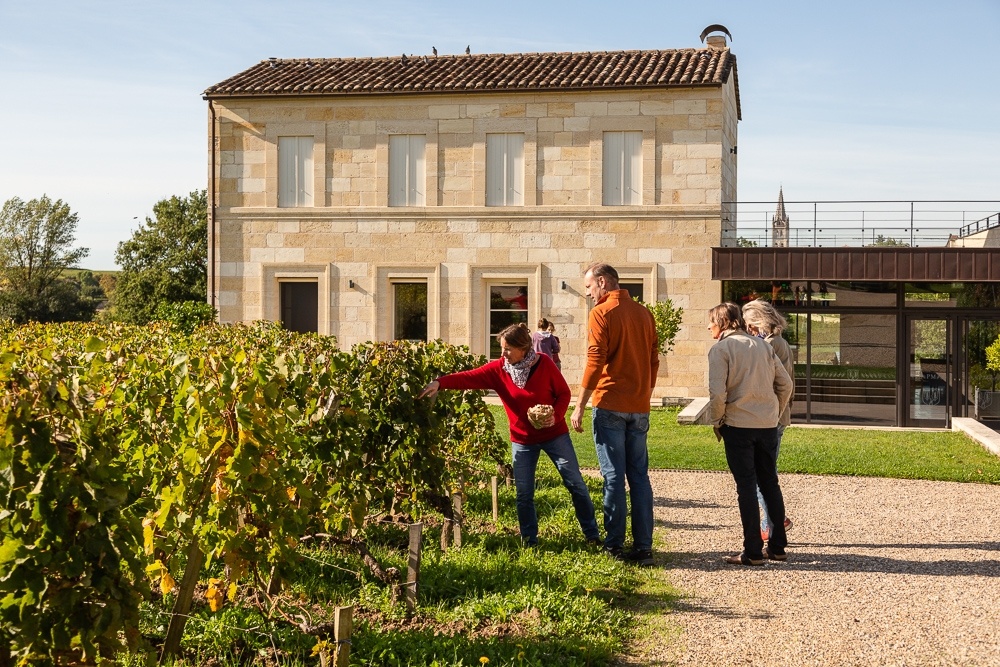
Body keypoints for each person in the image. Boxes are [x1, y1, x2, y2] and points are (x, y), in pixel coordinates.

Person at [418, 323, 599, 547]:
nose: (503, 354)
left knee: (575, 484)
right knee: (524, 494)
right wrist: (440, 382)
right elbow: (469, 378)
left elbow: (564, 393)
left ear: (523, 348)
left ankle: (592, 535)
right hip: (522, 440)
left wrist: (556, 415)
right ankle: (530, 541)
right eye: (502, 349)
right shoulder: (499, 369)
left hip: (555, 434)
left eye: (507, 349)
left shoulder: (545, 363)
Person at [570, 263, 659, 566]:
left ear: (603, 283)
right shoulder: (644, 314)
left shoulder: (602, 313)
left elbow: (595, 361)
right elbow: (653, 361)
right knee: (639, 477)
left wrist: (580, 403)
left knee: (612, 478)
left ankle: (614, 545)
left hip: (609, 404)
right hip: (639, 406)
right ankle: (644, 547)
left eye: (589, 287)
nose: (588, 294)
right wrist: (644, 394)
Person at [707, 303, 794, 566]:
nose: (708, 327)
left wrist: (717, 420)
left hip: (738, 424)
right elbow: (786, 384)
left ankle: (753, 551)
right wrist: (775, 412)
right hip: (766, 425)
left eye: (711, 322)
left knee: (746, 487)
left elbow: (717, 393)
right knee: (770, 483)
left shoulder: (721, 349)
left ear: (722, 323)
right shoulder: (764, 346)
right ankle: (777, 547)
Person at [742, 299, 795, 540]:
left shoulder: (774, 344)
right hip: (770, 416)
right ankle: (774, 520)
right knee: (764, 472)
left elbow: (779, 384)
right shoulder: (772, 343)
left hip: (771, 417)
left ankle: (773, 522)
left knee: (763, 474)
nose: (748, 329)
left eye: (749, 324)